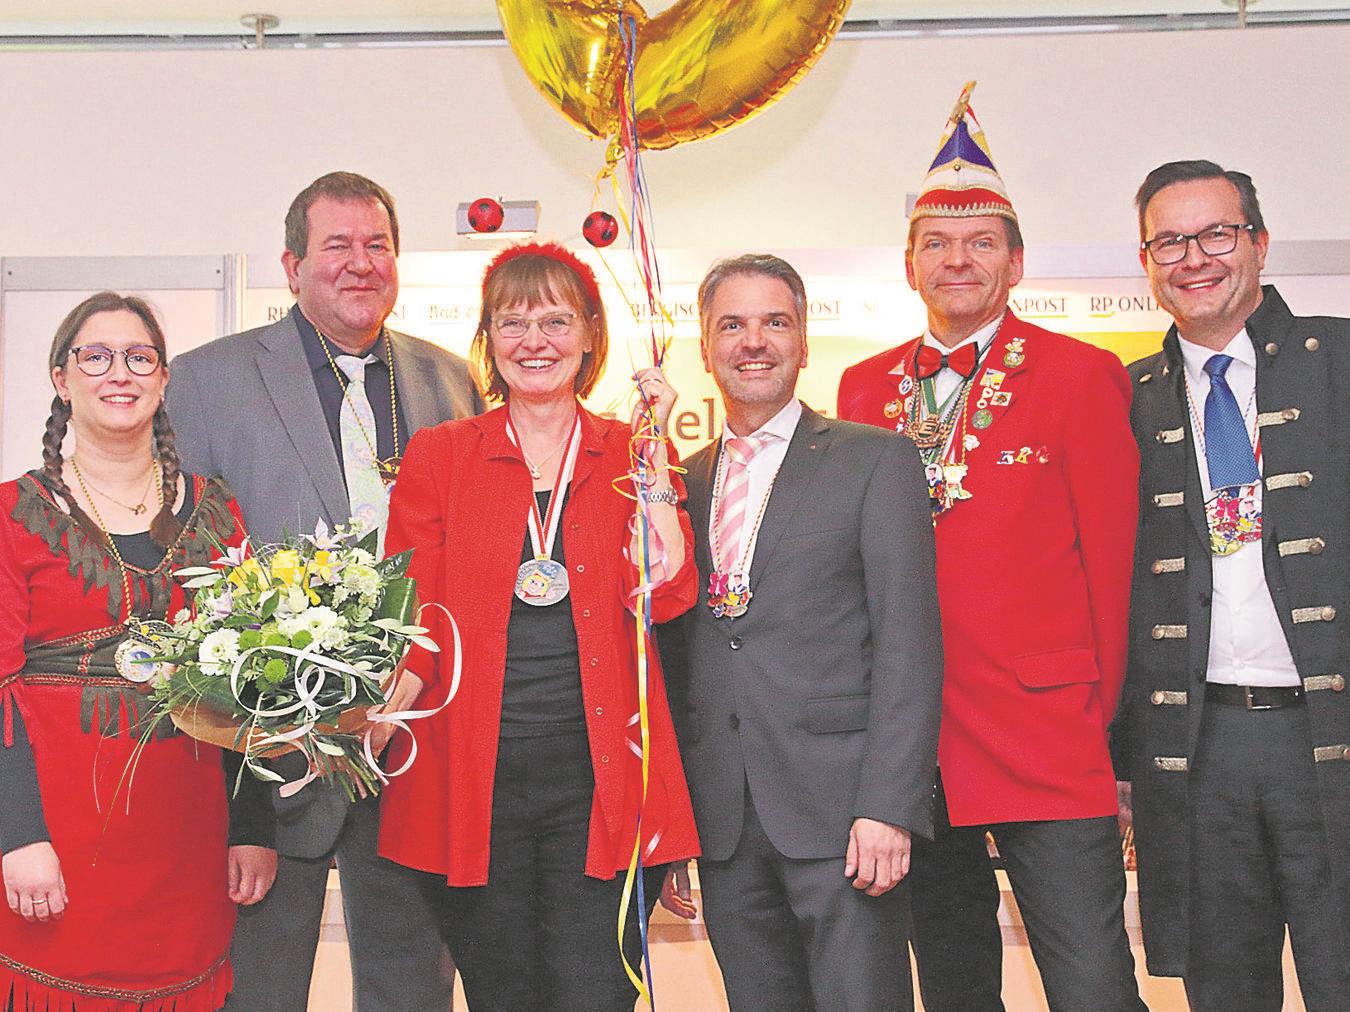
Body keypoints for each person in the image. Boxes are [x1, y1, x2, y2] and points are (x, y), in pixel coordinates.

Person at [836, 83, 1144, 1011]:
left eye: (979, 243)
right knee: (954, 982)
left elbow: (1115, 566)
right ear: (909, 264)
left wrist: (1105, 726)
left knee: (1091, 982)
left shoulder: (1082, 374)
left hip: (1046, 730)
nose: (957, 259)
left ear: (1015, 262)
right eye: (937, 242)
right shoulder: (861, 387)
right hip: (912, 747)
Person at [165, 172, 481, 1011]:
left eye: (377, 245)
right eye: (337, 245)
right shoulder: (204, 381)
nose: (360, 264)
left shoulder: (452, 382)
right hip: (268, 766)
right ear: (292, 264)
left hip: (414, 746)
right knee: (258, 992)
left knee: (413, 988)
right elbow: (181, 575)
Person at [376, 240, 700, 1009]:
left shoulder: (631, 450)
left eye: (555, 321)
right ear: (488, 341)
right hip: (471, 782)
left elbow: (669, 591)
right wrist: (376, 713)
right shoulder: (442, 455)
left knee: (596, 994)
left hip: (602, 781)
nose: (535, 342)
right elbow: (410, 614)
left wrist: (655, 475)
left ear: (590, 334)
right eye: (512, 324)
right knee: (503, 994)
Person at [656, 252, 942, 1011]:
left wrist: (888, 806)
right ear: (708, 347)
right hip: (725, 824)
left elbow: (910, 648)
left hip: (846, 818)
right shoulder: (680, 484)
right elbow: (678, 659)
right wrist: (678, 823)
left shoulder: (875, 461)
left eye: (775, 322)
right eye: (733, 325)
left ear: (805, 341)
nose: (754, 342)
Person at [1116, 159, 1350, 1011]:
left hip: (1332, 736)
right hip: (1199, 749)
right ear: (1147, 261)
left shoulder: (1342, 361)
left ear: (1257, 241)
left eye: (1216, 233)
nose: (1195, 257)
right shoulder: (1127, 400)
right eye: (1169, 241)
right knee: (1225, 993)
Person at [0, 292, 276, 1010]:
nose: (117, 373)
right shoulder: (11, 515)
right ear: (62, 379)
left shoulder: (216, 511)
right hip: (56, 839)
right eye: (94, 356)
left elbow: (253, 682)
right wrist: (16, 838)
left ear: (161, 380)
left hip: (185, 835)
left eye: (139, 357)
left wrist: (253, 828)